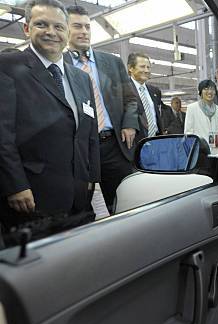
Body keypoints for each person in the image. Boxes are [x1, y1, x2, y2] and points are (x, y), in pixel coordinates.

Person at [0, 0, 100, 229]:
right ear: (27, 28)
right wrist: (14, 185)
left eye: (58, 27)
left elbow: (90, 131)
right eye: (41, 24)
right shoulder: (6, 67)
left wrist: (92, 178)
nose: (51, 33)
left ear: (67, 32)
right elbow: (2, 135)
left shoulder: (81, 77)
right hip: (31, 197)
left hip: (78, 195)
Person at [64, 5, 139, 212]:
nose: (84, 32)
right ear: (65, 29)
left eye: (87, 27)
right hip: (80, 148)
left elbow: (131, 99)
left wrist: (129, 124)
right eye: (77, 26)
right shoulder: (59, 64)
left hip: (113, 144)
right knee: (81, 206)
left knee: (124, 201)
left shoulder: (112, 63)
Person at [127, 52, 166, 140]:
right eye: (142, 66)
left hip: (156, 139)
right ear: (130, 68)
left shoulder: (155, 91)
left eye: (148, 67)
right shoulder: (123, 90)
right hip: (136, 141)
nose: (146, 70)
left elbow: (157, 115)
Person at [184, 80, 218, 155]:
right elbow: (188, 133)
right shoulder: (192, 108)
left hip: (216, 151)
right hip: (199, 152)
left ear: (215, 92)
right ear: (200, 92)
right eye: (206, 89)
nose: (209, 92)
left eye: (212, 89)